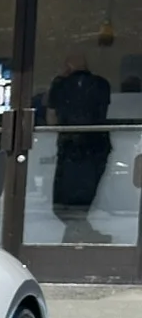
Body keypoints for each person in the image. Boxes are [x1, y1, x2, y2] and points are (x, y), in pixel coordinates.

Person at [47, 52, 112, 243]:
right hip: (96, 143)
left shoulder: (60, 85)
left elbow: (51, 117)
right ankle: (81, 234)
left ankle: (78, 236)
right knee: (86, 193)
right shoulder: (102, 84)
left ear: (68, 66)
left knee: (65, 197)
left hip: (71, 144)